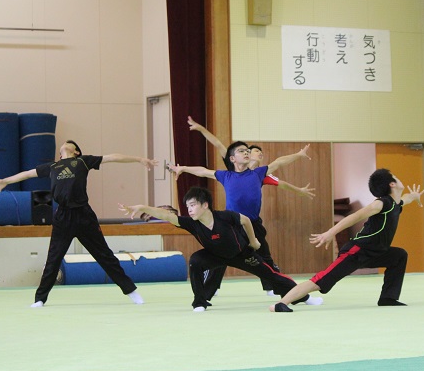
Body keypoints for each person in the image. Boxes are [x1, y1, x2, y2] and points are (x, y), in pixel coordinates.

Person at [0, 140, 158, 308]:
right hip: (63, 217)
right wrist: (6, 181)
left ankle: (131, 291)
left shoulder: (83, 161)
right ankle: (40, 299)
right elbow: (27, 174)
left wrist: (139, 159)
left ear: (76, 151)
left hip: (84, 216)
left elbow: (113, 157)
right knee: (53, 259)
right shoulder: (53, 167)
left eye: (70, 143)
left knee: (104, 256)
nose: (66, 143)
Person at [118, 186, 321, 311]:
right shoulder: (191, 223)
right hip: (215, 256)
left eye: (193, 205)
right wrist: (142, 207)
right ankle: (199, 302)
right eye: (187, 206)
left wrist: (253, 242)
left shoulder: (225, 216)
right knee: (195, 261)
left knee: (273, 275)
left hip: (241, 254)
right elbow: (166, 215)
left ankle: (304, 296)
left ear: (205, 205)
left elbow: (246, 220)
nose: (189, 209)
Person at [168, 141, 319, 303]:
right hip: (231, 226)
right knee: (220, 258)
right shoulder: (226, 176)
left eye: (247, 151)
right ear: (232, 159)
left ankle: (291, 294)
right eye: (241, 151)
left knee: (266, 262)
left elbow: (279, 162)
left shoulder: (258, 174)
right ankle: (204, 296)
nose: (246, 152)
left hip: (253, 225)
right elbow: (203, 171)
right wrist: (183, 168)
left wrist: (298, 155)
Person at [270, 168, 424, 312]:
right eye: (396, 177)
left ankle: (388, 298)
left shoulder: (396, 204)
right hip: (357, 252)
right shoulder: (380, 204)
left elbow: (406, 199)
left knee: (399, 255)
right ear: (392, 184)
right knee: (322, 280)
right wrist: (330, 233)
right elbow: (354, 217)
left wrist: (414, 196)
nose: (399, 179)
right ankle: (281, 303)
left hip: (377, 252)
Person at [188, 116, 315, 198]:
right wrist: (202, 129)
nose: (260, 153)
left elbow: (282, 181)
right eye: (256, 151)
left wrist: (300, 190)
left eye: (261, 152)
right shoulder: (234, 167)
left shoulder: (261, 174)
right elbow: (218, 144)